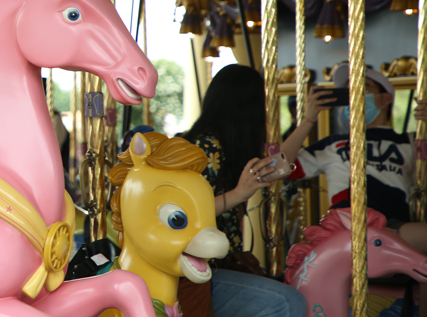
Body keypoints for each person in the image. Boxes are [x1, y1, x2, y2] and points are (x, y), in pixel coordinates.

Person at [181, 64, 307, 317]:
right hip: (199, 267)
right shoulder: (206, 145)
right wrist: (238, 194)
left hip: (221, 262)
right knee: (287, 301)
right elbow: (186, 211)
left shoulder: (229, 143)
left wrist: (309, 120)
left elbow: (279, 167)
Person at [282, 64, 427, 252]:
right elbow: (278, 167)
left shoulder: (411, 142)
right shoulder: (332, 144)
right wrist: (308, 119)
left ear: (386, 98)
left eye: (364, 87)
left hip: (392, 225)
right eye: (349, 90)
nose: (355, 94)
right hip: (348, 226)